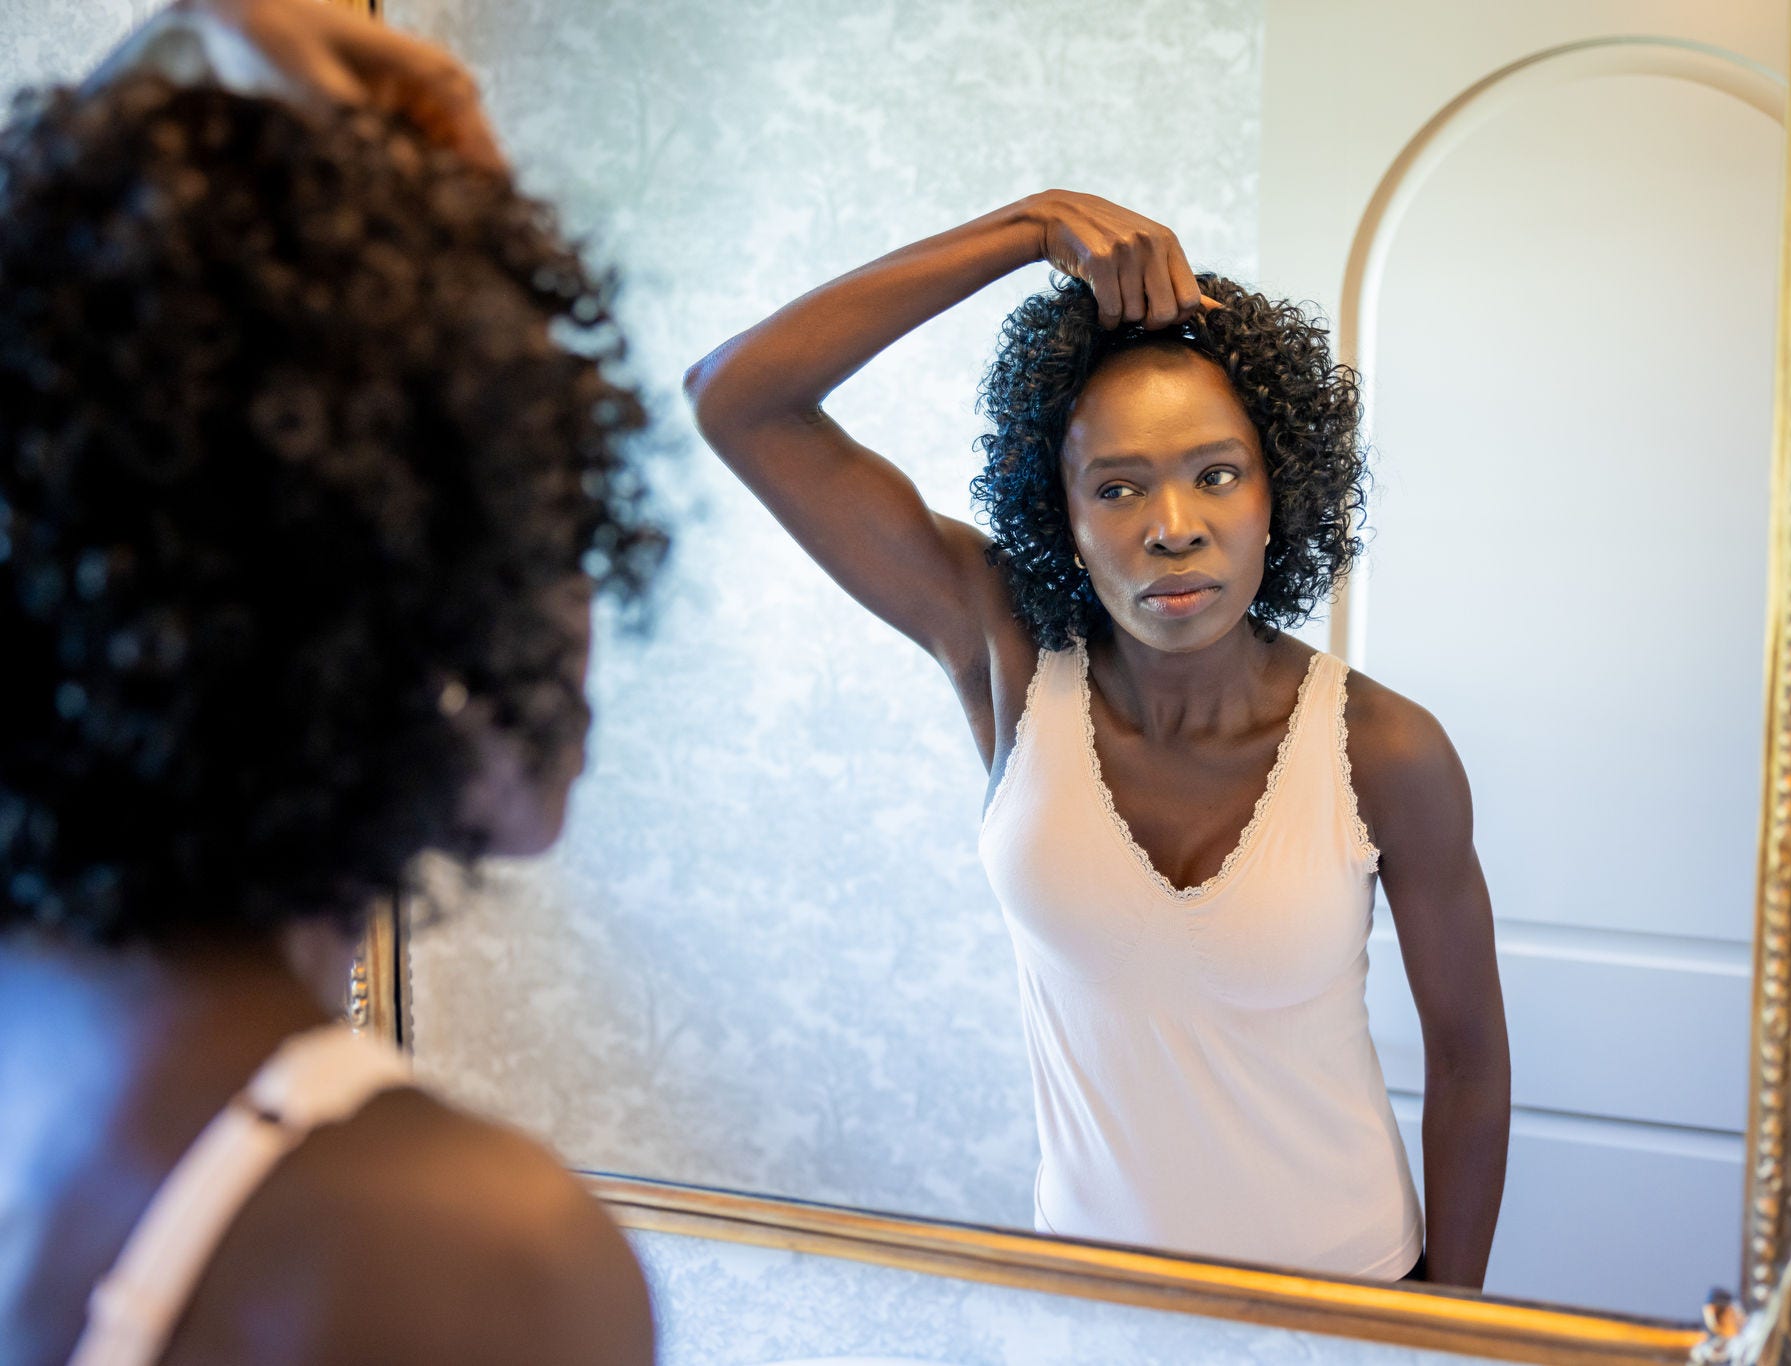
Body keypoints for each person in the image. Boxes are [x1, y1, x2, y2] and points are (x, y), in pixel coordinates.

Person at [0, 1, 667, 1361]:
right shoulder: (454, 1251)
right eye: (528, 498)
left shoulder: (41, 1047)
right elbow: (523, 783)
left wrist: (146, 122)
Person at [685, 194, 1512, 1286]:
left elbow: (1466, 1062)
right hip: (1087, 1309)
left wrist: (1444, 1335)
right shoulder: (1012, 659)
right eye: (1116, 487)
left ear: (1278, 493)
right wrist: (1028, 229)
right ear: (1060, 516)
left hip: (1353, 1300)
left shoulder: (1386, 752)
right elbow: (738, 402)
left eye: (1216, 472)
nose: (1173, 524)